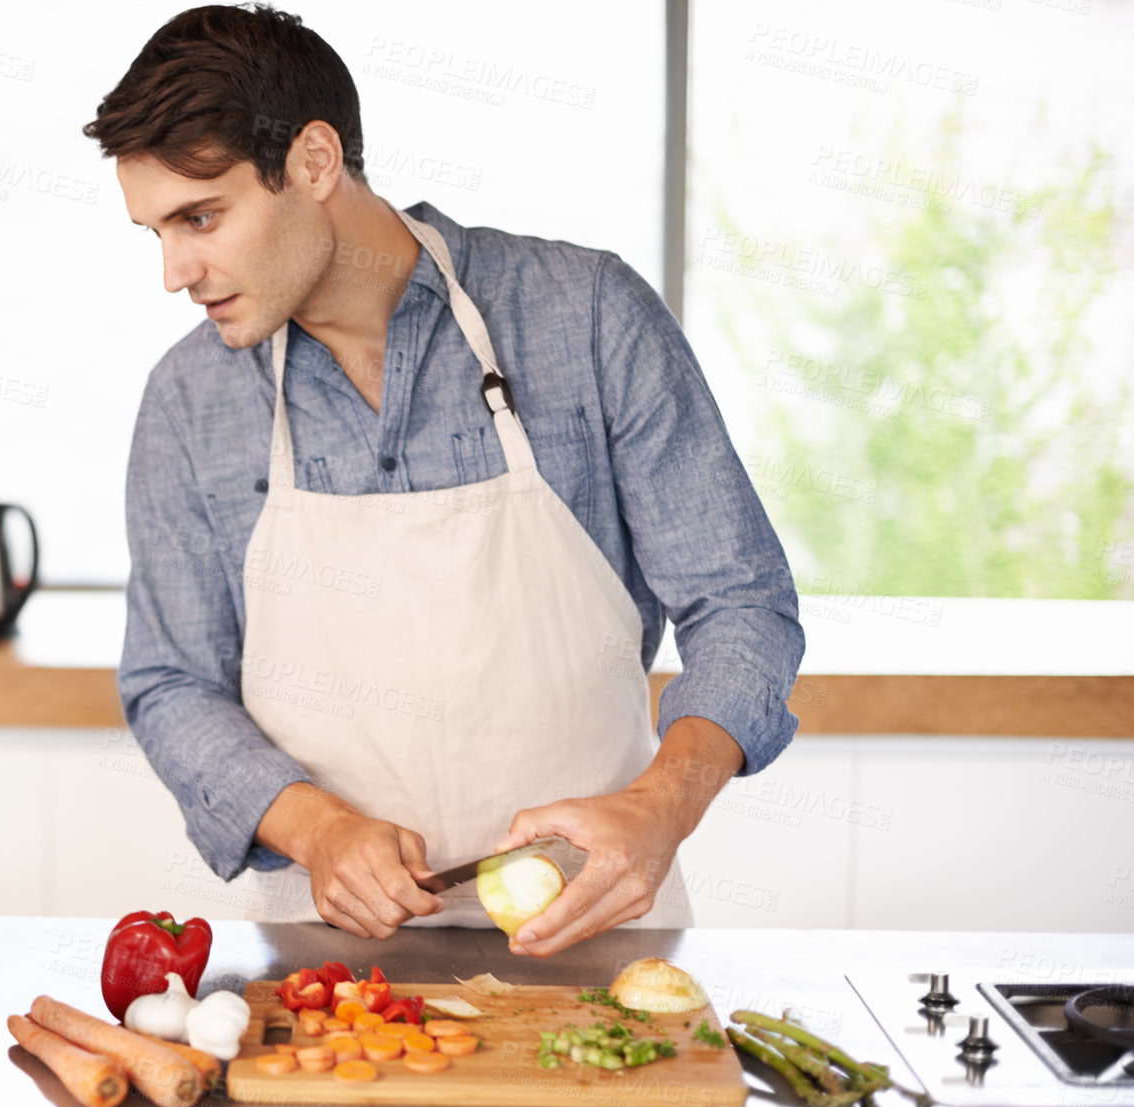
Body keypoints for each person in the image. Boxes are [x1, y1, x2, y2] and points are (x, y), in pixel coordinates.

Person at [85, 5, 804, 957]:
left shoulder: (587, 318)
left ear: (312, 161)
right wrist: (319, 831)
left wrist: (658, 809)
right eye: (156, 232)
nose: (176, 271)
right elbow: (172, 679)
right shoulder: (189, 399)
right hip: (326, 959)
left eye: (201, 217)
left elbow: (741, 603)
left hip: (595, 928)